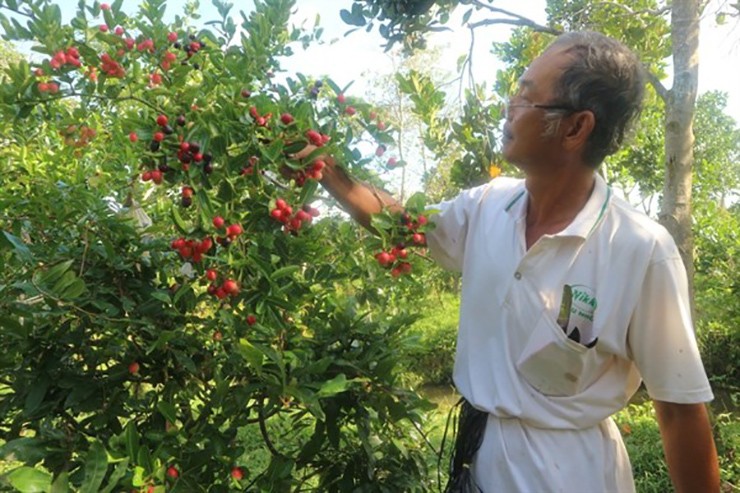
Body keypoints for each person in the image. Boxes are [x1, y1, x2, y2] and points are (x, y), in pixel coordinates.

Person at [301, 31, 720, 492]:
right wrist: (325, 168)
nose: (509, 106)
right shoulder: (486, 207)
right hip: (477, 463)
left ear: (576, 128)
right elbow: (400, 225)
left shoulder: (640, 249)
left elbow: (680, 413)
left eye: (526, 96)